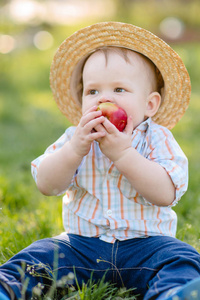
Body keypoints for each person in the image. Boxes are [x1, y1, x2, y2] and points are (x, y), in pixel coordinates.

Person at [0, 22, 200, 300]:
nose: (104, 98)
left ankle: (173, 293)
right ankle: (6, 288)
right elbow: (47, 184)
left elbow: (165, 193)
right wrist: (74, 149)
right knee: (39, 255)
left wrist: (123, 155)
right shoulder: (74, 138)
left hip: (147, 245)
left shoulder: (158, 139)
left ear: (149, 104)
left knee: (181, 257)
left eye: (119, 89)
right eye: (92, 91)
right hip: (81, 247)